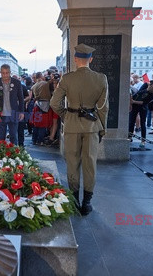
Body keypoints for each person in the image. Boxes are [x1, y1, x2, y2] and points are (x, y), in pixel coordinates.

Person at [50, 43, 109, 216]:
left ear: (76, 59)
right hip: (92, 127)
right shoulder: (101, 78)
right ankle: (87, 203)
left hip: (72, 126)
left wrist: (66, 116)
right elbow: (104, 107)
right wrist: (101, 128)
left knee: (72, 163)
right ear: (91, 59)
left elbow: (55, 103)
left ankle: (74, 200)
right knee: (90, 164)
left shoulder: (67, 79)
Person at [0, 64, 25, 145]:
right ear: (0, 72)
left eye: (7, 73)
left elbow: (21, 98)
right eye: (3, 73)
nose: (5, 75)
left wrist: (22, 112)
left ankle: (14, 155)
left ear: (10, 72)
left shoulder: (17, 83)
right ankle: (1, 156)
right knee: (0, 138)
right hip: (0, 114)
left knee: (13, 137)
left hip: (14, 113)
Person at [129, 79, 153, 148]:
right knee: (131, 121)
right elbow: (138, 93)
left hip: (142, 106)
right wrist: (146, 90)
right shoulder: (146, 85)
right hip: (135, 104)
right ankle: (130, 137)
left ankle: (143, 140)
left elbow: (144, 102)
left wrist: (133, 102)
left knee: (143, 122)